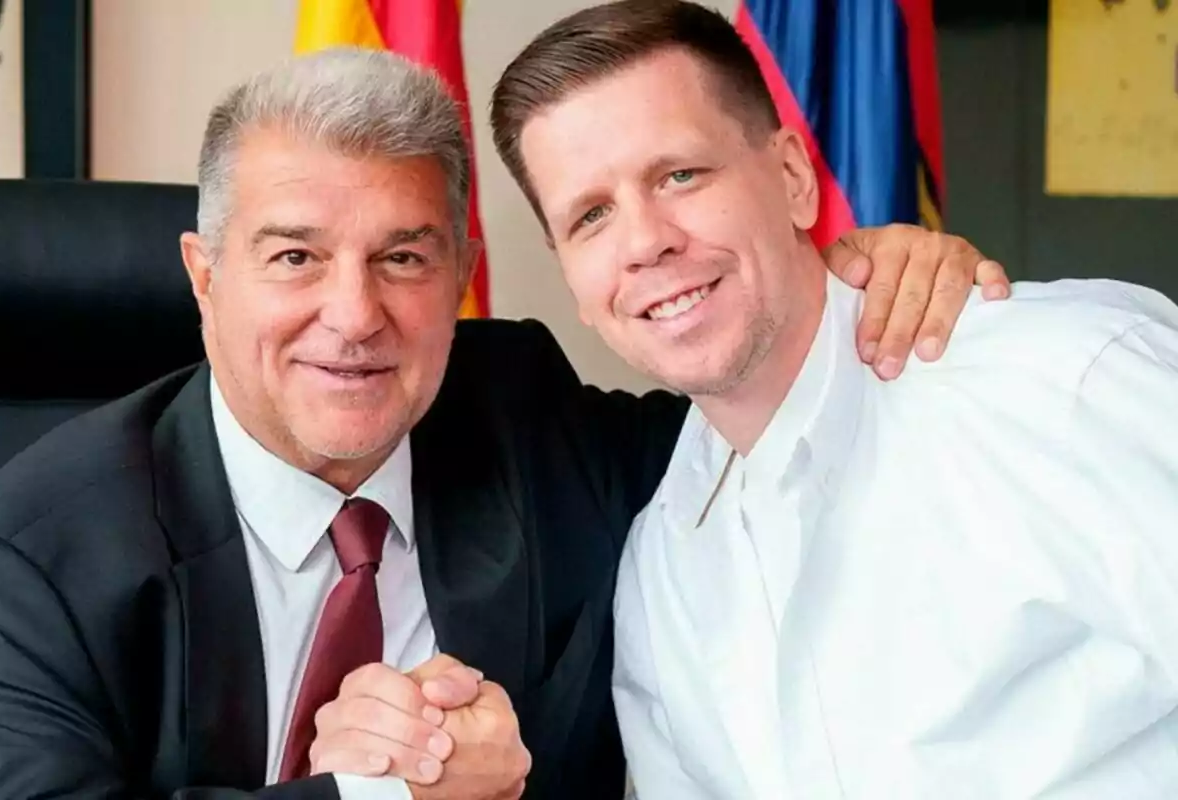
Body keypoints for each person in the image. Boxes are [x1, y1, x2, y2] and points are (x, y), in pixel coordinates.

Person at [0, 49, 1007, 800]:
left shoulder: (523, 410)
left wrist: (872, 276)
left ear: (463, 279)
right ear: (206, 279)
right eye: (295, 257)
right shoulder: (31, 550)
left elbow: (769, 399)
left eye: (405, 258)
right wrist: (385, 796)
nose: (354, 315)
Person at [483, 1, 1178, 798]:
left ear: (791, 178)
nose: (645, 243)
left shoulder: (1066, 385)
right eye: (592, 216)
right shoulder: (660, 566)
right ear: (571, 274)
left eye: (679, 175)